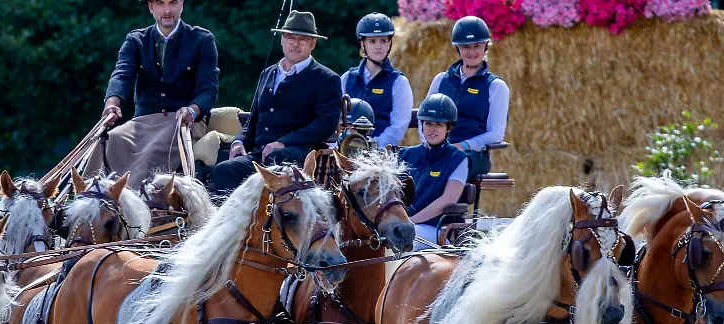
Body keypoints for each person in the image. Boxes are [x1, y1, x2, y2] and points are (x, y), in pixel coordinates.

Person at [84, 0, 219, 185]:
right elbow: (122, 74)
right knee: (110, 139)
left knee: (152, 152)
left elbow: (208, 90)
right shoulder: (136, 40)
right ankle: (90, 199)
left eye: (172, 3)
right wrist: (112, 105)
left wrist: (192, 110)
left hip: (183, 122)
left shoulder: (202, 40)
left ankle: (132, 204)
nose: (167, 10)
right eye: (160, 3)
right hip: (143, 122)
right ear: (150, 7)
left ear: (182, 5)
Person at [211, 10, 342, 195]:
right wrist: (239, 141)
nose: (295, 44)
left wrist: (283, 142)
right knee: (223, 170)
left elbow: (326, 123)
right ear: (282, 40)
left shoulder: (327, 78)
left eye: (302, 39)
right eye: (290, 37)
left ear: (313, 43)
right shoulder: (268, 73)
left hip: (297, 156)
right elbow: (254, 118)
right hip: (259, 155)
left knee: (276, 158)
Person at [422, 15, 509, 180]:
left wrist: (463, 146)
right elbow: (423, 118)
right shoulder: (440, 80)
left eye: (477, 46)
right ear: (457, 48)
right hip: (436, 148)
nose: (471, 52)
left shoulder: (496, 86)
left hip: (472, 155)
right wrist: (431, 143)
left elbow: (496, 133)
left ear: (485, 46)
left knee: (451, 163)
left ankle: (445, 205)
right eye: (466, 47)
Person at [398, 93, 469, 247]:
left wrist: (410, 222)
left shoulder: (458, 159)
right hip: (399, 224)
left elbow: (448, 199)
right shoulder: (405, 154)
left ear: (448, 128)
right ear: (422, 125)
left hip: (433, 228)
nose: (433, 129)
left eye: (439, 125)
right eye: (429, 123)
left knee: (402, 243)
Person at [341, 13, 413, 149]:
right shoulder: (346, 78)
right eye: (372, 41)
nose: (378, 46)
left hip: (380, 154)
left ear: (390, 43)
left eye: (383, 41)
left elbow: (398, 126)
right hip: (346, 149)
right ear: (363, 44)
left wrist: (372, 146)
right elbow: (337, 117)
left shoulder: (399, 82)